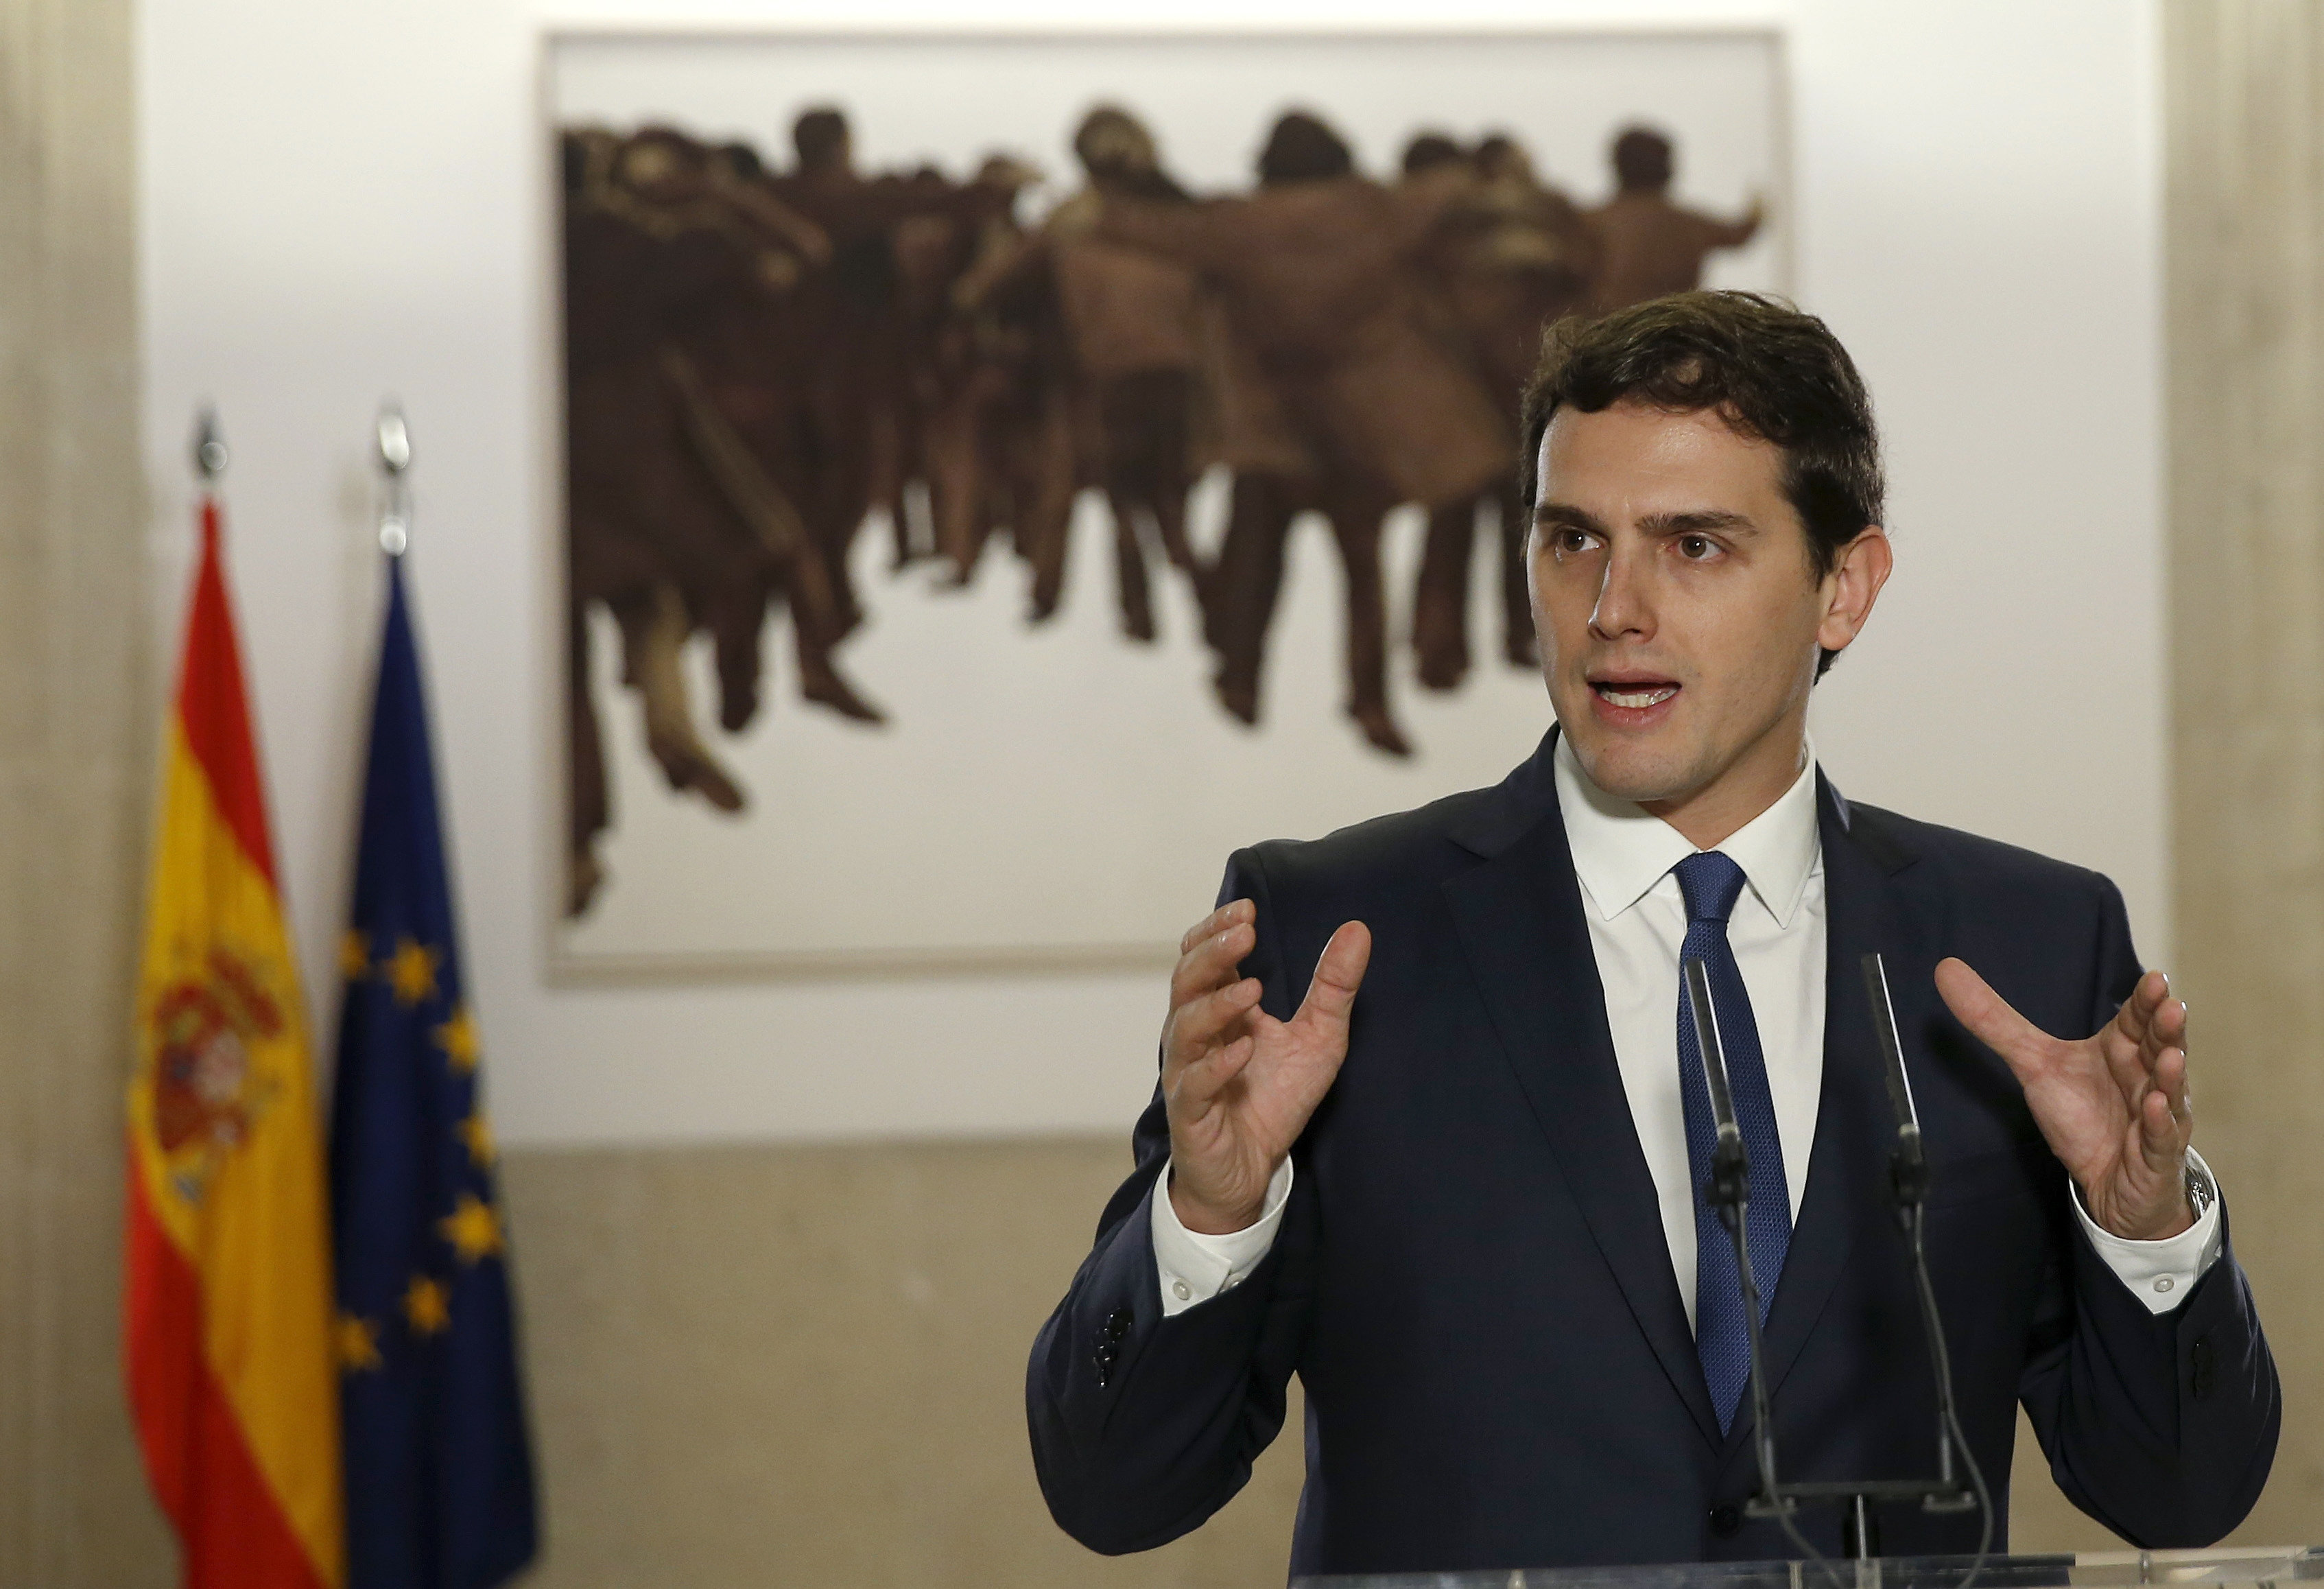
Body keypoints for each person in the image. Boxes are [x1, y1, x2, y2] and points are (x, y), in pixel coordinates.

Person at [1026, 291, 2277, 1575]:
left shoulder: (2027, 949)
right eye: (1572, 539)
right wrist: (1211, 1212)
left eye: (1692, 545)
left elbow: (2176, 1497)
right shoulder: (1336, 941)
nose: (1612, 607)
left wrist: (2143, 1230)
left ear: (1842, 587)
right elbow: (1115, 1490)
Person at [1090, 109, 1510, 757]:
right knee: (1361, 570)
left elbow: (1143, 229)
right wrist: (1480, 166)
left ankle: (1239, 680)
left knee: (1255, 562)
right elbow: (1448, 192)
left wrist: (1114, 191)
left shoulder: (1237, 224)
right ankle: (1370, 702)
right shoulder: (1377, 210)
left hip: (1274, 427)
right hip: (1367, 427)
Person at [1585, 126, 1764, 312]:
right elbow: (1741, 232)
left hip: (1607, 330)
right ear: (1667, 168)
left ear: (1616, 165)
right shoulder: (1691, 224)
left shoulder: (1589, 223)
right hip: (1675, 328)